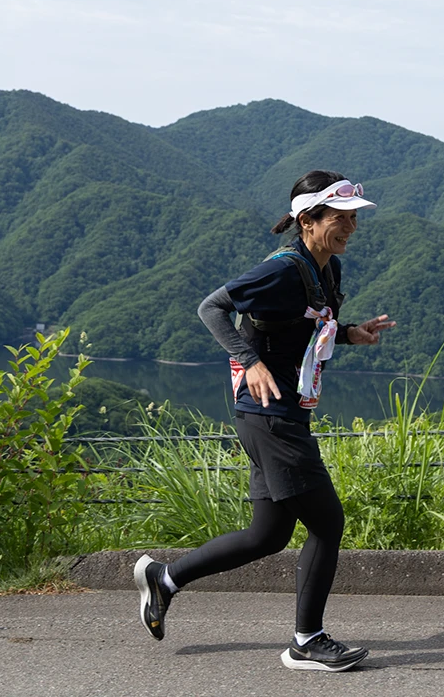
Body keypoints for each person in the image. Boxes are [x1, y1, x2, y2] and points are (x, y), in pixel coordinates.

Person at [134, 169, 396, 672]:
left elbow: (300, 327)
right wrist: (249, 361)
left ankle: (164, 578)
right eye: (339, 217)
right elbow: (211, 308)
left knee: (268, 535)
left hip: (282, 413)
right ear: (307, 220)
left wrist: (349, 333)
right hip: (269, 415)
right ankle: (307, 642)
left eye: (353, 217)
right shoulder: (281, 270)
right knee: (328, 523)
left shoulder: (327, 269)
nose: (350, 226)